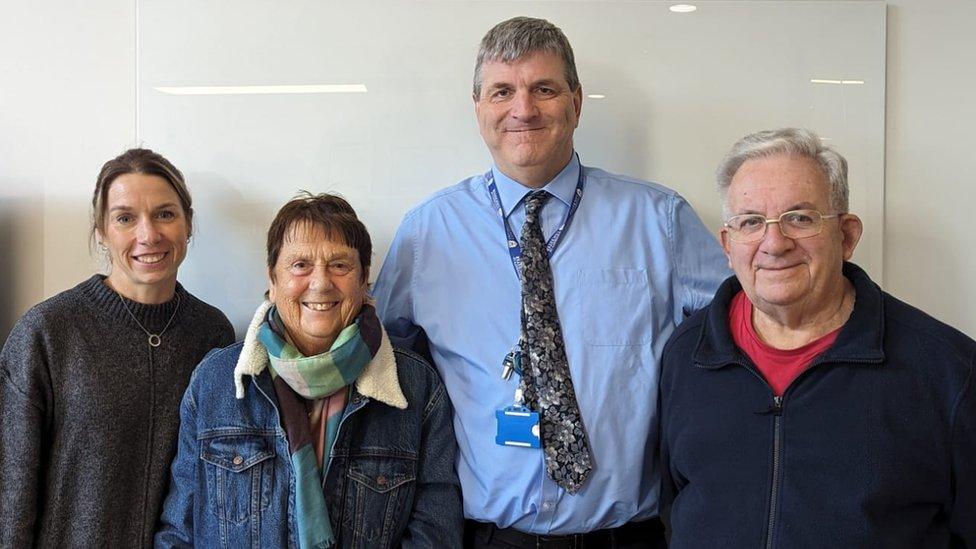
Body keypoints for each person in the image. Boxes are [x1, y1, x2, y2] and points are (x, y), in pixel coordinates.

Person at [372, 16, 728, 547]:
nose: (523, 109)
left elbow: (747, 333)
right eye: (502, 91)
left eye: (544, 88)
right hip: (485, 536)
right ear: (479, 110)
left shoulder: (660, 221)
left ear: (576, 104)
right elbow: (370, 358)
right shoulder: (428, 232)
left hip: (628, 535)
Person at [659, 128, 976, 547]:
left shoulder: (948, 370)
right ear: (727, 244)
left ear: (846, 236)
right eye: (751, 222)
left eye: (800, 218)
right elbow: (673, 508)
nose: (774, 243)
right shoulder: (687, 354)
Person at [155, 192, 462, 548]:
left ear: (364, 281)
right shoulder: (215, 381)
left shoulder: (416, 389)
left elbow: (435, 535)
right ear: (272, 279)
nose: (320, 283)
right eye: (300, 265)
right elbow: (178, 531)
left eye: (340, 265)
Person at [0, 149, 235, 547]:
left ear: (188, 224)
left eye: (165, 214)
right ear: (102, 232)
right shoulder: (48, 332)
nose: (149, 234)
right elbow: (11, 490)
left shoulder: (212, 335)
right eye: (126, 218)